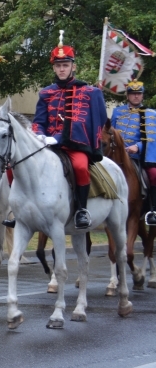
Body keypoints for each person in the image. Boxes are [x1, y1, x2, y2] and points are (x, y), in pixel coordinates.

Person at [32, 32, 107, 229]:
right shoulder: (46, 92)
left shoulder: (89, 92)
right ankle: (22, 210)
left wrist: (57, 138)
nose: (62, 69)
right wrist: (39, 134)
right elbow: (38, 120)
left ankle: (82, 209)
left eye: (65, 65)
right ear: (54, 68)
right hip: (48, 145)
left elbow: (85, 121)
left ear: (73, 66)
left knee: (81, 167)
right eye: (58, 65)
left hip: (74, 145)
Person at [110, 80, 156, 225]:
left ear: (142, 96)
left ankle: (152, 210)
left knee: (154, 175)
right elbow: (110, 132)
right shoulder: (118, 111)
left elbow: (153, 136)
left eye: (138, 94)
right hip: (117, 155)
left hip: (138, 157)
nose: (136, 96)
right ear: (127, 96)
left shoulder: (151, 114)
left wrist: (138, 147)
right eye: (133, 94)